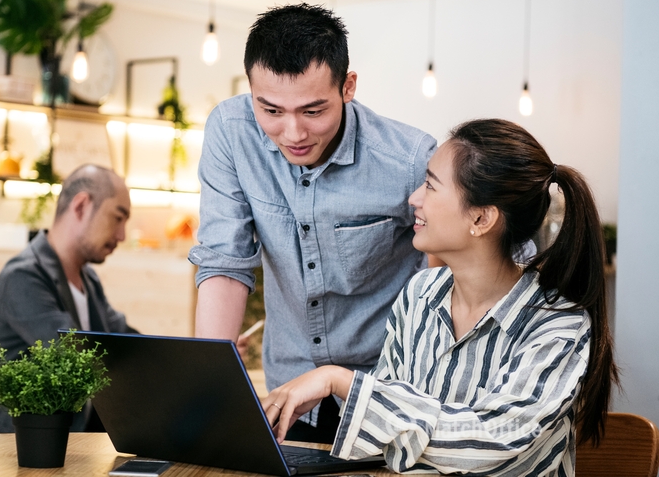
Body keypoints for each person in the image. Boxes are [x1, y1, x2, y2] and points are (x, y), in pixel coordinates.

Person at [263, 119, 619, 475]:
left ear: (480, 218)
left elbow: (491, 442)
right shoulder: (419, 294)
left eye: (431, 186)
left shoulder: (558, 324)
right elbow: (389, 440)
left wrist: (341, 381)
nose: (413, 199)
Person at [188, 4, 436, 442]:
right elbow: (225, 260)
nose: (293, 133)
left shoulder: (409, 160)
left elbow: (467, 265)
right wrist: (213, 392)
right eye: (271, 110)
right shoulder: (231, 132)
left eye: (313, 111)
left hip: (385, 398)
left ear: (348, 87)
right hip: (288, 394)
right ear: (250, 91)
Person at [0, 164, 137, 434]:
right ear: (81, 206)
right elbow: (79, 356)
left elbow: (125, 341)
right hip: (15, 453)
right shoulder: (22, 278)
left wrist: (202, 355)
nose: (122, 235)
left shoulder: (89, 280)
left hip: (67, 449)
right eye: (117, 218)